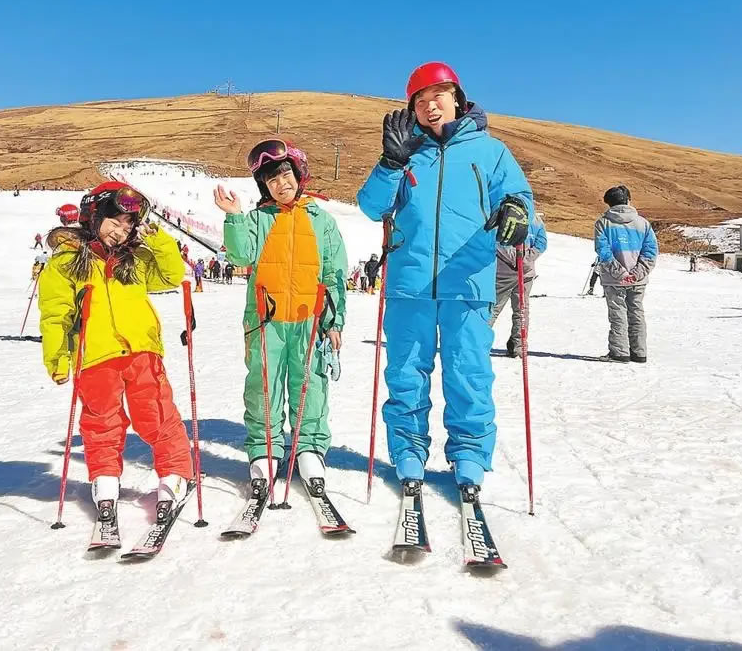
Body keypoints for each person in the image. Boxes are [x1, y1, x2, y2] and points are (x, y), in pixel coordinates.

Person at [357, 61, 533, 491]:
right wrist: (390, 163)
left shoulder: (490, 152)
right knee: (405, 374)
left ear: (457, 97)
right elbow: (372, 206)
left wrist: (517, 210)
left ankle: (470, 455)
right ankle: (408, 452)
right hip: (409, 284)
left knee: (468, 374)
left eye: (437, 96)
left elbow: (520, 198)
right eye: (419, 101)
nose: (429, 106)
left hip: (468, 281)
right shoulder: (406, 155)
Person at [38, 181, 193, 517]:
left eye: (128, 225)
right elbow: (55, 315)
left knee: (156, 415)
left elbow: (171, 275)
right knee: (102, 422)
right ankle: (105, 479)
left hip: (141, 350)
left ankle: (176, 472)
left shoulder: (134, 259)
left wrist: (157, 239)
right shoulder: (65, 263)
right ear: (93, 215)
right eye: (115, 221)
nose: (121, 231)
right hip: (96, 355)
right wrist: (57, 358)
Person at [215, 138, 348, 488]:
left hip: (309, 320)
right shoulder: (257, 219)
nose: (280, 184)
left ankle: (309, 448)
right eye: (272, 180)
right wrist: (234, 217)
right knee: (264, 386)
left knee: (310, 385)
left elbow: (334, 274)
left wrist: (334, 322)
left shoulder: (321, 221)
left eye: (285, 175)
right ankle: (265, 449)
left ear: (298, 175)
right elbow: (240, 256)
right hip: (266, 322)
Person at [594, 184, 658, 363]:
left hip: (614, 279)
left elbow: (603, 251)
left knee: (618, 315)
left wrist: (620, 273)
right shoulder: (643, 223)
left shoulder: (603, 223)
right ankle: (639, 352)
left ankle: (619, 352)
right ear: (628, 200)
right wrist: (637, 273)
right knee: (636, 313)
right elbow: (650, 251)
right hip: (638, 280)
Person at [489, 213, 547, 357]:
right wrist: (525, 259)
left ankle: (481, 343)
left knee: (495, 308)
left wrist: (520, 259)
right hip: (520, 271)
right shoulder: (535, 219)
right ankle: (517, 345)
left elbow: (496, 240)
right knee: (520, 309)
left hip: (507, 271)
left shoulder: (505, 213)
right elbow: (541, 243)